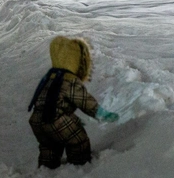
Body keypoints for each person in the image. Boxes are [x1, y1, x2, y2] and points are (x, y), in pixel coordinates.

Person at [28, 36, 119, 169]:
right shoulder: (70, 80)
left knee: (49, 146)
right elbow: (84, 101)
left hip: (37, 120)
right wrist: (101, 113)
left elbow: (46, 102)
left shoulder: (50, 77)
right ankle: (79, 166)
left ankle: (46, 168)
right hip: (55, 119)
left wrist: (71, 119)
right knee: (78, 141)